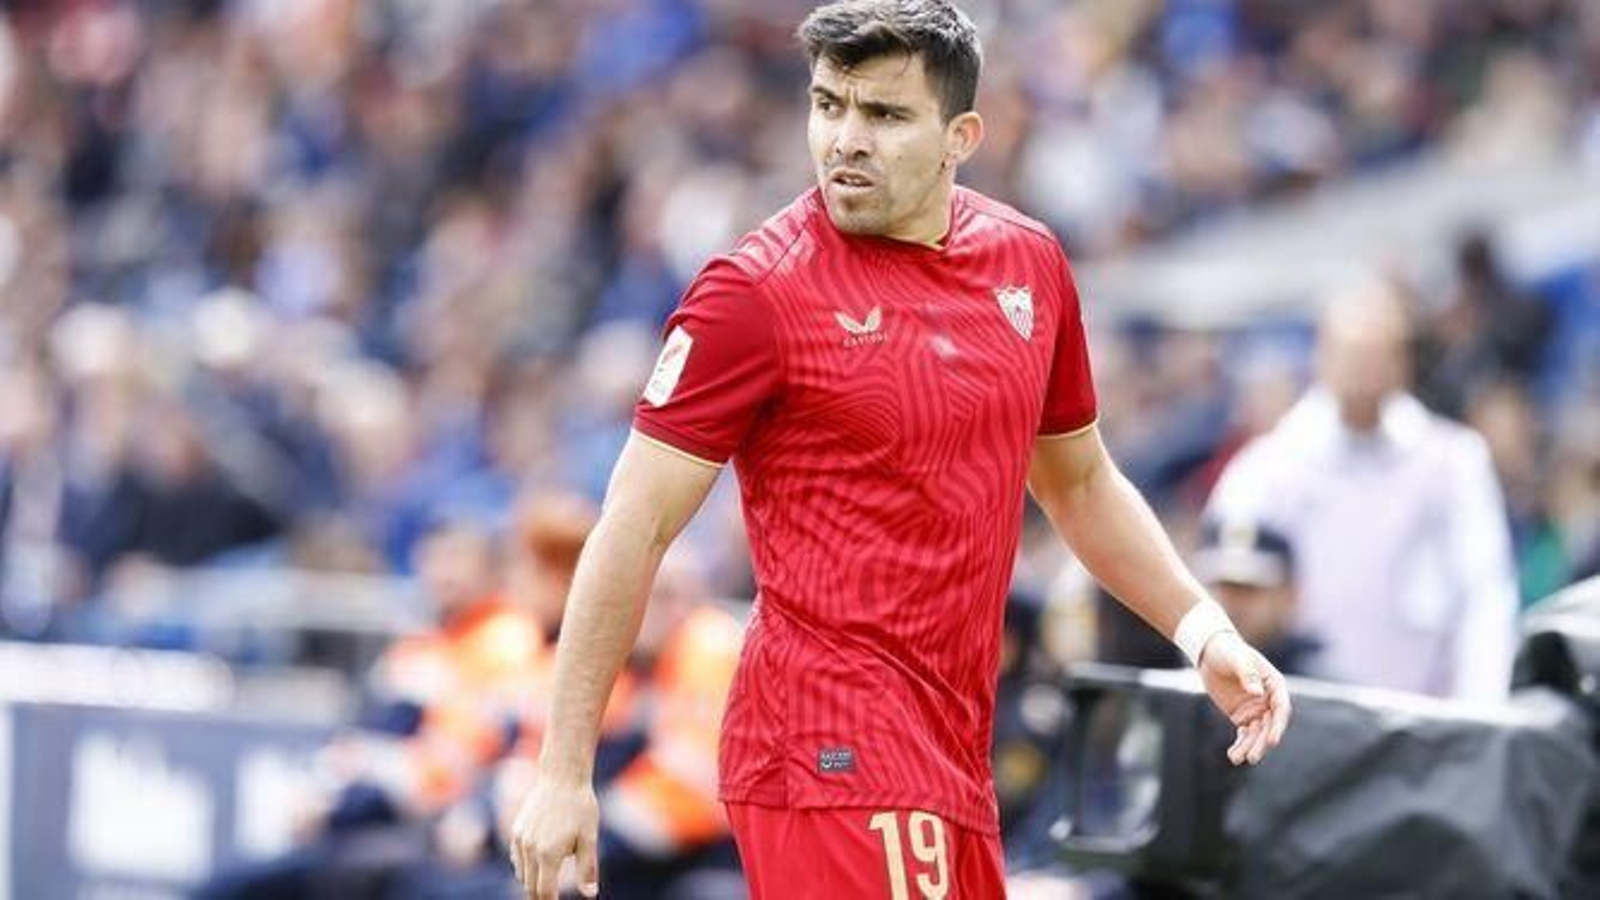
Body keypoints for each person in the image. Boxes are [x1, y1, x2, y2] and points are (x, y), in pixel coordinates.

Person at [510, 3, 1292, 898]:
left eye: (884, 115)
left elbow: (1079, 483)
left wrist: (1204, 633)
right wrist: (564, 772)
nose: (846, 139)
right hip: (824, 744)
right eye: (828, 104)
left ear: (961, 135)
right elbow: (632, 525)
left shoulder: (1029, 268)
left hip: (953, 757)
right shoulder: (755, 293)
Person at [1207, 279, 1520, 701]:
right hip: (1299, 712)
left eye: (1381, 352)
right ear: (1323, 355)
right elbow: (1223, 587)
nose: (1366, 368)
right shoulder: (1271, 466)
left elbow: (1484, 594)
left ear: (1403, 360)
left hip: (1426, 716)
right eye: (1354, 352)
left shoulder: (1452, 461)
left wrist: (1480, 708)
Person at [1191, 517, 1323, 677]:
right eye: (1222, 585)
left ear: (1289, 595)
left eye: (1249, 588)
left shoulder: (1322, 686)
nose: (1232, 602)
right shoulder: (1176, 667)